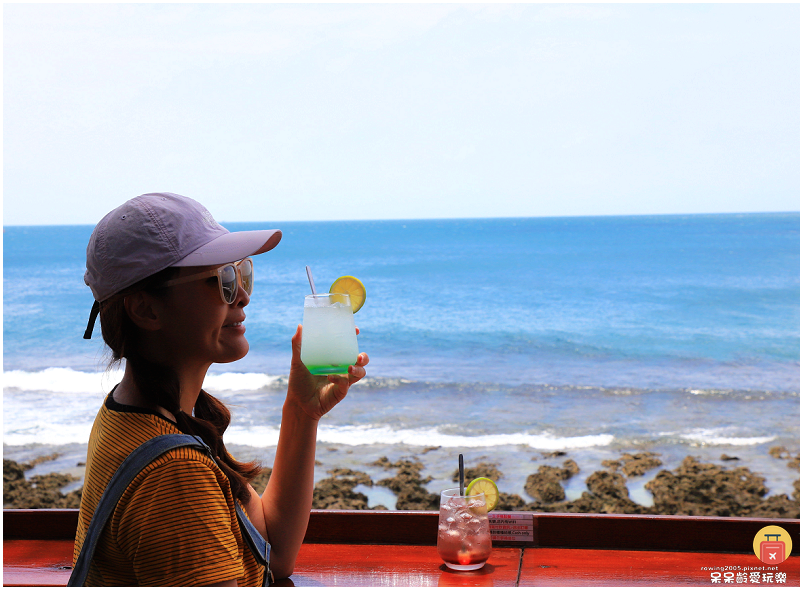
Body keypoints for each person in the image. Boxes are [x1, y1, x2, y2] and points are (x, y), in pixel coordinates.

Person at [75, 192, 369, 586]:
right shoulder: (175, 475)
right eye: (224, 281)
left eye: (242, 273)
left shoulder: (145, 416)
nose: (244, 296)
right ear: (146, 309)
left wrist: (301, 410)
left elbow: (273, 552)